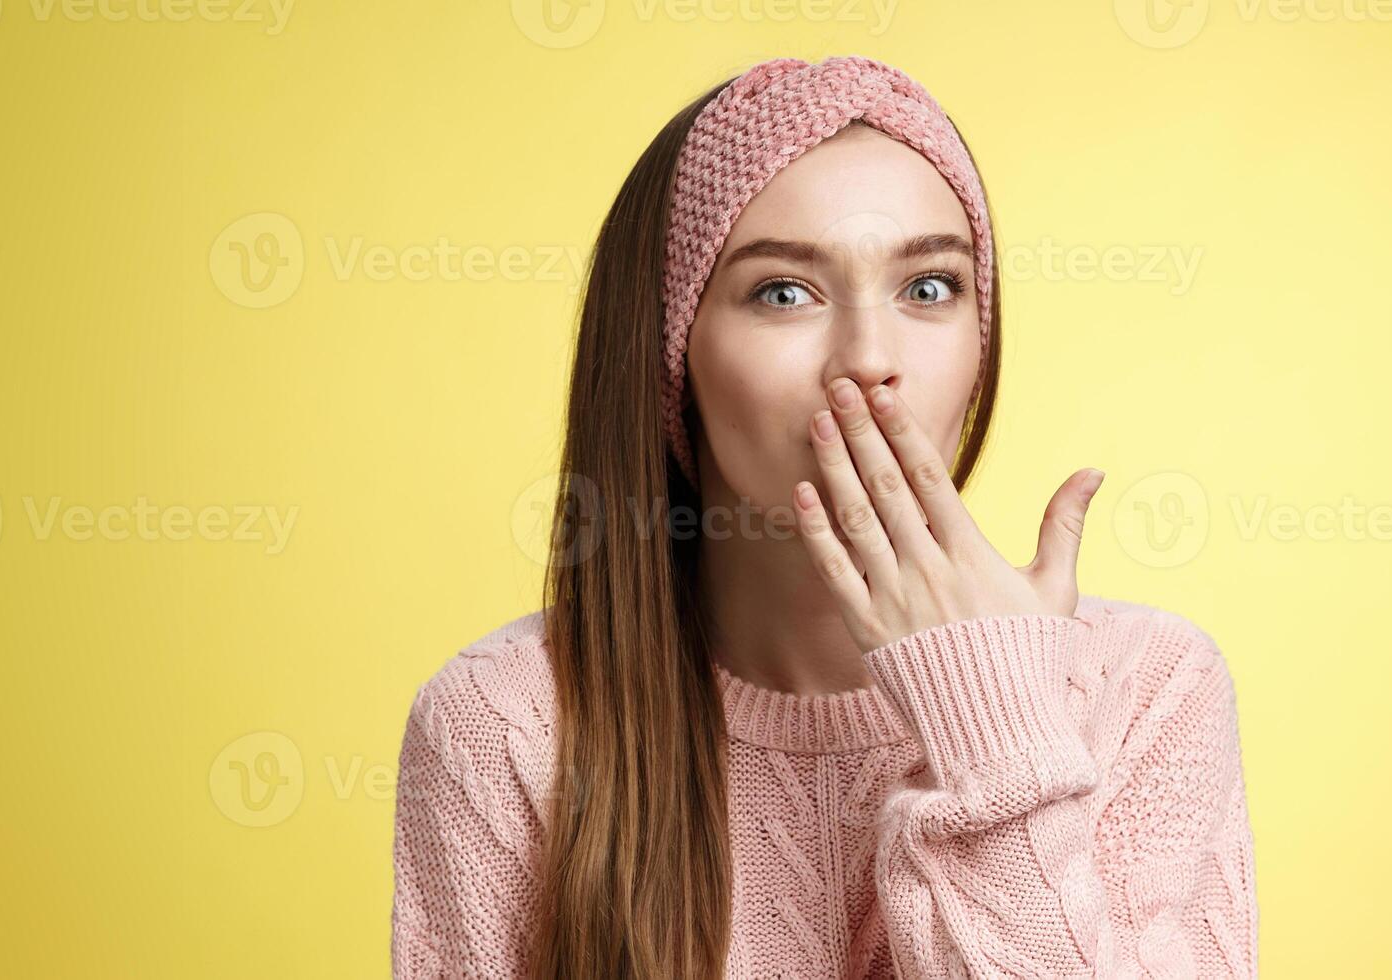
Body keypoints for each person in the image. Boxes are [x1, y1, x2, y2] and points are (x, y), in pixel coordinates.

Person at [390, 55, 1257, 978]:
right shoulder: (506, 724)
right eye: (783, 292)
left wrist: (998, 734)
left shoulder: (1145, 691)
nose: (869, 359)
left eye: (929, 287)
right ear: (668, 355)